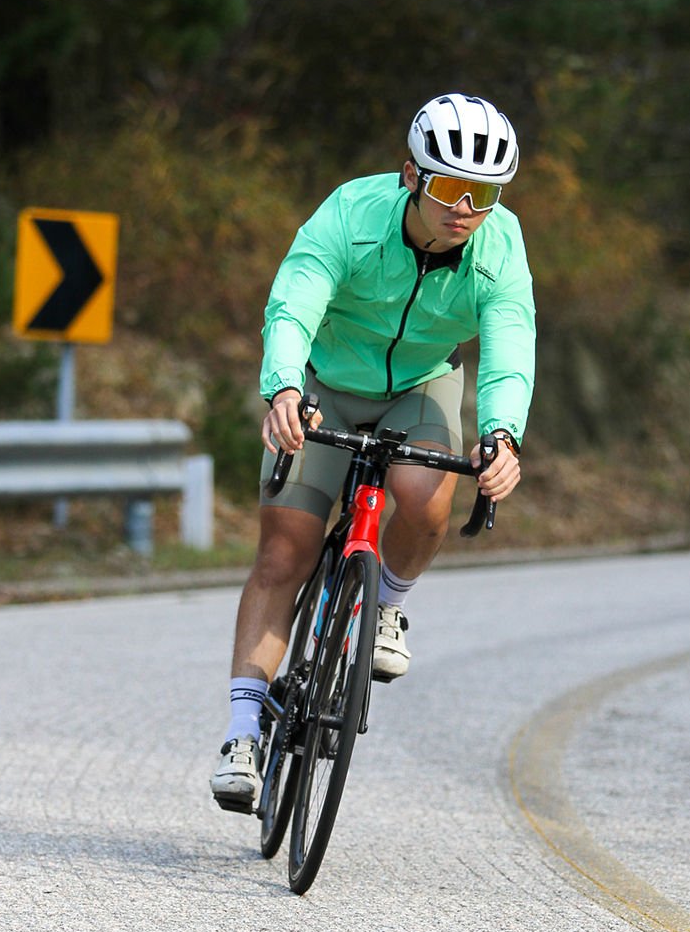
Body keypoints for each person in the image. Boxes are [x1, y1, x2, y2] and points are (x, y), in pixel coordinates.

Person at [210, 93, 536, 814]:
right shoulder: (353, 213)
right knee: (284, 553)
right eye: (449, 187)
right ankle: (241, 734)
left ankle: (386, 605)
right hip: (324, 383)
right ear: (411, 175)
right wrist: (283, 387)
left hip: (421, 385)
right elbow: (295, 299)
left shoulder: (500, 244)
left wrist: (503, 434)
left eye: (484, 194)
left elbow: (511, 341)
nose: (465, 209)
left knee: (426, 497)